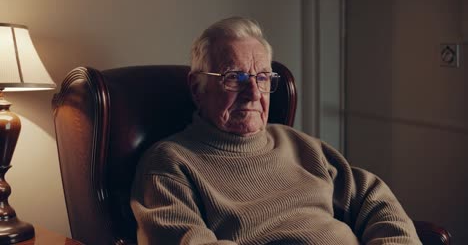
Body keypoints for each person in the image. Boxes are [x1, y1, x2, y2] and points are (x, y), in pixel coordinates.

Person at [130, 16, 421, 244]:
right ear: (197, 88)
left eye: (263, 77)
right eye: (235, 77)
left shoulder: (299, 144)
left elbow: (374, 199)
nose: (254, 92)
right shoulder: (170, 164)